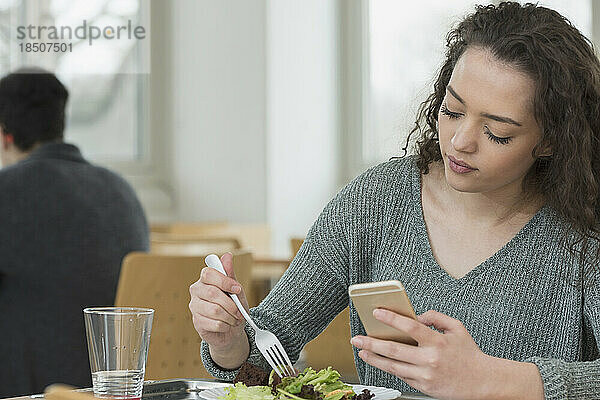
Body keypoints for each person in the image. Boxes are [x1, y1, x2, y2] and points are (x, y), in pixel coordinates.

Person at [189, 3, 600, 399]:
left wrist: (496, 379)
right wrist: (229, 341)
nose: (460, 142)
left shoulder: (585, 228)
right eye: (452, 111)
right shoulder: (377, 200)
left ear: (550, 141)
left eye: (497, 133)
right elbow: (266, 353)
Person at [0, 68, 149, 397]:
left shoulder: (5, 192)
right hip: (116, 389)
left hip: (30, 393)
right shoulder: (122, 191)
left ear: (6, 135)